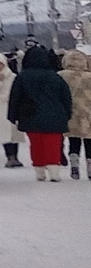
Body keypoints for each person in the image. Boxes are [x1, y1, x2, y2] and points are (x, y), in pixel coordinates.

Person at [7, 42, 74, 180]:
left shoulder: (22, 77)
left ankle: (40, 171)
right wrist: (67, 114)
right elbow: (66, 97)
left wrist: (12, 116)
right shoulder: (55, 77)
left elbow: (15, 97)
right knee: (53, 143)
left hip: (30, 115)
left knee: (36, 143)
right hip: (55, 115)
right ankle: (54, 171)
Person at [61, 43, 91, 181]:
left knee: (74, 139)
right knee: (89, 141)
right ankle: (90, 166)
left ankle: (74, 164)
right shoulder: (89, 76)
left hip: (70, 112)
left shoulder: (61, 76)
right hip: (88, 113)